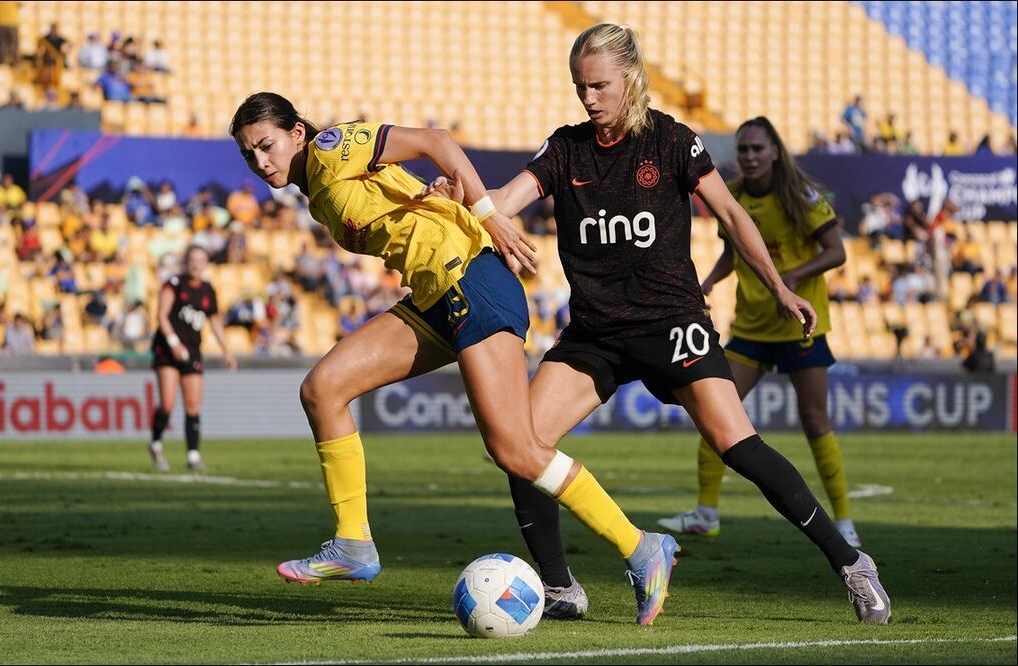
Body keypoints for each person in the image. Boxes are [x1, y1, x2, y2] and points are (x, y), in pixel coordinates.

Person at [474, 24, 890, 625]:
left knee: (736, 445)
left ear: (630, 80)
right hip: (596, 332)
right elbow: (506, 199)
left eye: (599, 86)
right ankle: (561, 586)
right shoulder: (564, 149)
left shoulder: (671, 140)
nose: (588, 99)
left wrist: (778, 286)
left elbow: (730, 214)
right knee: (519, 445)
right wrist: (467, 200)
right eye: (579, 87)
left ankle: (852, 563)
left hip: (672, 321)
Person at [230, 91, 679, 626]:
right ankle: (353, 544)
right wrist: (439, 197)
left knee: (516, 449)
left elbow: (436, 142)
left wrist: (489, 214)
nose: (261, 163)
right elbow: (409, 202)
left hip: (473, 281)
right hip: (434, 296)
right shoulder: (318, 189)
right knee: (322, 388)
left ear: (297, 132)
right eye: (249, 155)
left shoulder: (329, 148)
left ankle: (642, 547)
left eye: (267, 146)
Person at [655, 116, 863, 550]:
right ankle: (705, 513)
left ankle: (844, 522)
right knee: (714, 412)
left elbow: (836, 251)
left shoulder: (799, 196)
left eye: (757, 149)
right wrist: (710, 281)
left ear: (774, 152)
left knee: (814, 420)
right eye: (743, 149)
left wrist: (785, 279)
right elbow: (735, 253)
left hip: (800, 325)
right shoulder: (732, 196)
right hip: (751, 326)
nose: (749, 157)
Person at [147, 245, 236, 473]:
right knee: (167, 404)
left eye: (201, 259)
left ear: (206, 263)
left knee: (193, 405)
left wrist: (226, 350)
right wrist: (174, 343)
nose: (196, 263)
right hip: (167, 349)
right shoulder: (174, 284)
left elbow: (215, 321)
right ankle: (156, 443)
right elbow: (161, 316)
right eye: (193, 259)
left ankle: (193, 455)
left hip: (193, 350)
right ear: (186, 261)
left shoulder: (207, 289)